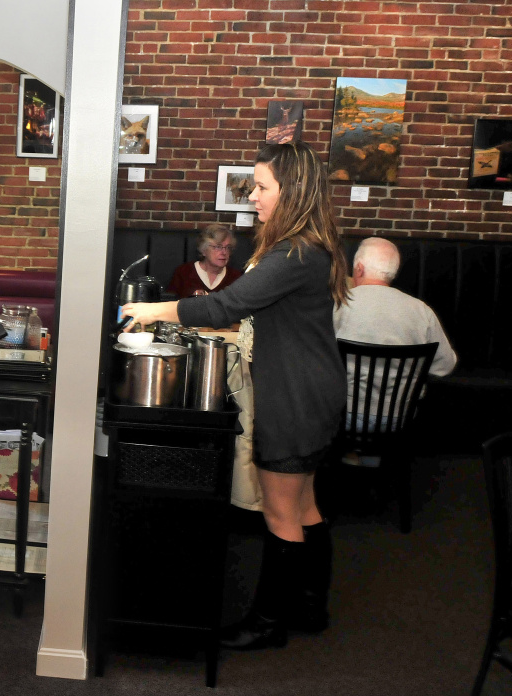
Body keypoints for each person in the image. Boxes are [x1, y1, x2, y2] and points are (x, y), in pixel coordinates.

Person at [120, 141, 348, 650]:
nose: (254, 198)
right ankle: (311, 608)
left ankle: (267, 623)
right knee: (306, 505)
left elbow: (227, 305)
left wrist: (156, 312)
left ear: (293, 191)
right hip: (315, 388)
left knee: (280, 512)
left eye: (263, 188)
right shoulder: (313, 246)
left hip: (294, 395)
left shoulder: (293, 252)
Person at [333, 237, 457, 466]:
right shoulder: (421, 311)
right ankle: (370, 472)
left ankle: (343, 471)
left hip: (341, 417)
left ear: (358, 268)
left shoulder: (337, 305)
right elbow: (445, 366)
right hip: (396, 421)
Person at [166, 223, 243, 298]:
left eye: (228, 247)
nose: (224, 252)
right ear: (203, 250)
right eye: (218, 247)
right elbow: (170, 304)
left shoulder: (236, 277)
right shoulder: (184, 272)